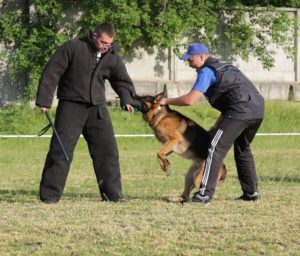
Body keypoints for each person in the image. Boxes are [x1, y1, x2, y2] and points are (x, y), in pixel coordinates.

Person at [36, 22, 139, 203]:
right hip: (71, 106)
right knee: (60, 151)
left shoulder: (111, 56)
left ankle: (112, 194)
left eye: (109, 44)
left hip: (97, 108)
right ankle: (49, 196)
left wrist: (126, 98)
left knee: (108, 151)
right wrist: (45, 99)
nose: (107, 47)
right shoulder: (73, 47)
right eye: (104, 43)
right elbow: (52, 71)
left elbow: (121, 80)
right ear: (94, 36)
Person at [160, 42, 264, 204]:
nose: (189, 64)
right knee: (242, 149)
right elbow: (234, 96)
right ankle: (251, 193)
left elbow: (190, 100)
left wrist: (167, 100)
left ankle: (204, 194)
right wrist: (217, 125)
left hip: (239, 111)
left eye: (191, 59)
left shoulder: (207, 71)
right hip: (257, 108)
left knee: (215, 148)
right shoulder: (224, 65)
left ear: (202, 56)